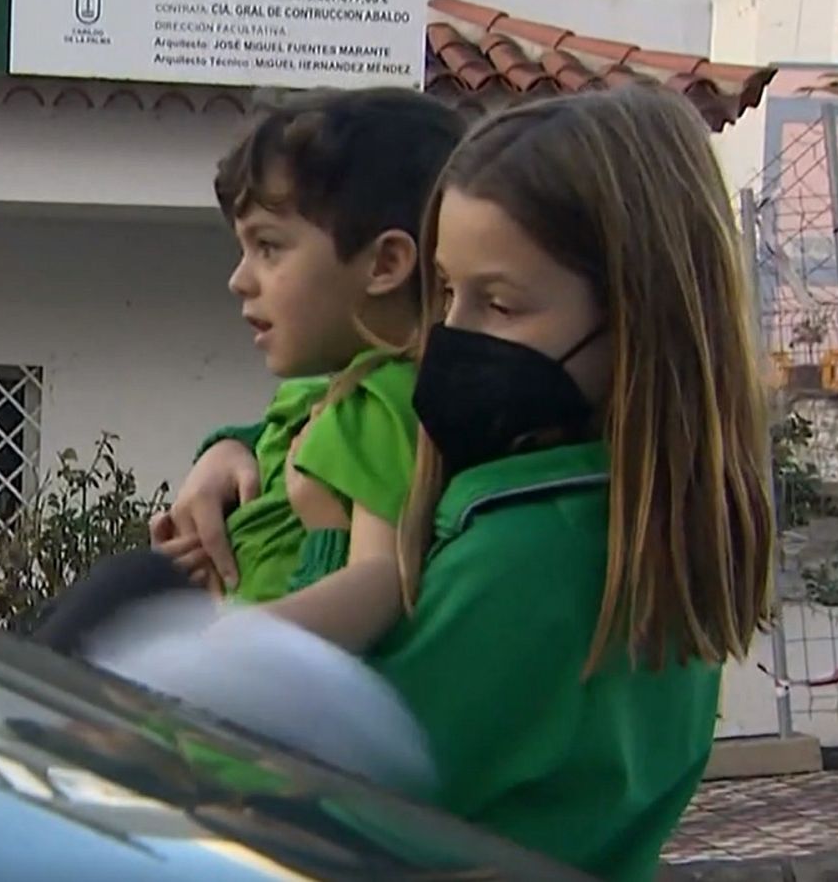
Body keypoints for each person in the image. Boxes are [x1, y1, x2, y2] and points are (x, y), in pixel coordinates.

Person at [178, 84, 777, 880]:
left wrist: (182, 680)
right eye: (447, 292)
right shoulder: (644, 526)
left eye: (498, 303)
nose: (449, 337)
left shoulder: (535, 555)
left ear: (639, 315)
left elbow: (301, 800)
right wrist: (235, 447)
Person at [31, 87, 464, 653]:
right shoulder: (319, 396)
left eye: (269, 248)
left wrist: (213, 646)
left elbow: (380, 581)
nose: (240, 279)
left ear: (384, 264)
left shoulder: (382, 400)